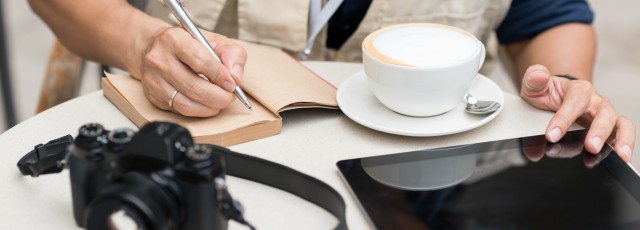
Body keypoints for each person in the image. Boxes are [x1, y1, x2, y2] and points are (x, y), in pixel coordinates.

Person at [28, 0, 635, 162]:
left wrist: (562, 79)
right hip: (202, 161)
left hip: (418, 186)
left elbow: (549, 16)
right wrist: (142, 40)